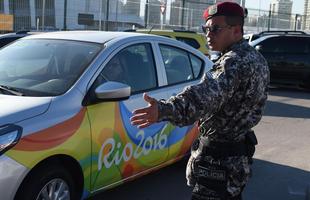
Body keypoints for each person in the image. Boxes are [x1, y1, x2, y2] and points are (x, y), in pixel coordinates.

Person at [130, 1, 269, 200]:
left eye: (215, 29)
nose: (208, 34)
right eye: (206, 29)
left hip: (218, 164)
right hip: (237, 160)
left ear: (236, 30)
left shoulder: (233, 62)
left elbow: (201, 98)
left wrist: (163, 110)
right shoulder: (257, 59)